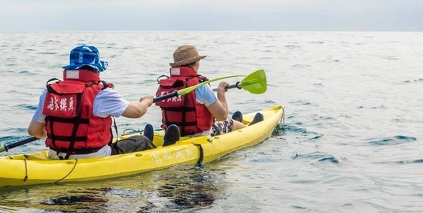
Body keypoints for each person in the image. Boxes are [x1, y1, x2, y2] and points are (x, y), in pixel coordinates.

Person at [27, 45, 156, 159]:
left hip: (55, 154)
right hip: (93, 156)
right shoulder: (101, 93)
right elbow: (137, 111)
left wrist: (57, 136)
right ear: (95, 70)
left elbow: (33, 131)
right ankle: (156, 145)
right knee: (141, 141)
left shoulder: (49, 92)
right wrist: (147, 101)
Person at [155, 45, 262, 146]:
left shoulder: (166, 85)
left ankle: (238, 122)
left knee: (223, 118)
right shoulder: (200, 85)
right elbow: (221, 116)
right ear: (195, 62)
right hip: (199, 136)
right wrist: (221, 92)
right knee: (228, 122)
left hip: (177, 133)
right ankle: (249, 128)